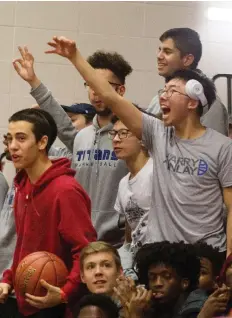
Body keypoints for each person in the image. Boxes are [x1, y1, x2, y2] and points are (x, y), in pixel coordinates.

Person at [44, 36, 232, 255]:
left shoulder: (222, 147)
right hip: (161, 255)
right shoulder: (157, 133)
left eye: (172, 92)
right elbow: (109, 96)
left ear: (193, 101)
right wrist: (75, 57)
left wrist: (229, 257)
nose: (163, 98)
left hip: (205, 256)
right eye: (163, 91)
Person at [13, 46, 132, 248]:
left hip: (115, 246)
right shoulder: (82, 137)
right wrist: (34, 82)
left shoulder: (132, 137)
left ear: (120, 90)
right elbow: (61, 122)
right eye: (90, 84)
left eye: (101, 85)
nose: (95, 92)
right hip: (78, 242)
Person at [0, 108, 97, 318]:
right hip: (24, 298)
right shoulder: (22, 186)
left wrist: (64, 293)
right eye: (9, 139)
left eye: (21, 138)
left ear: (42, 143)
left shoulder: (66, 190)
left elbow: (86, 251)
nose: (12, 146)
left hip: (55, 303)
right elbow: (23, 246)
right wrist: (7, 280)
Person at [147, 27, 228, 136]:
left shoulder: (207, 104)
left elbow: (212, 150)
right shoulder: (156, 100)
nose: (159, 56)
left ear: (187, 59)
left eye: (167, 51)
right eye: (159, 50)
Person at [110, 112, 153, 277]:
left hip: (161, 262)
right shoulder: (123, 183)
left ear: (142, 138)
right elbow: (130, 234)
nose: (115, 139)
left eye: (123, 133)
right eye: (113, 133)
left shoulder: (156, 172)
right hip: (138, 263)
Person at [128, 241, 207, 318]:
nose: (157, 283)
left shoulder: (195, 309)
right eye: (152, 277)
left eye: (166, 276)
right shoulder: (156, 307)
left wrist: (136, 315)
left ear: (184, 283)